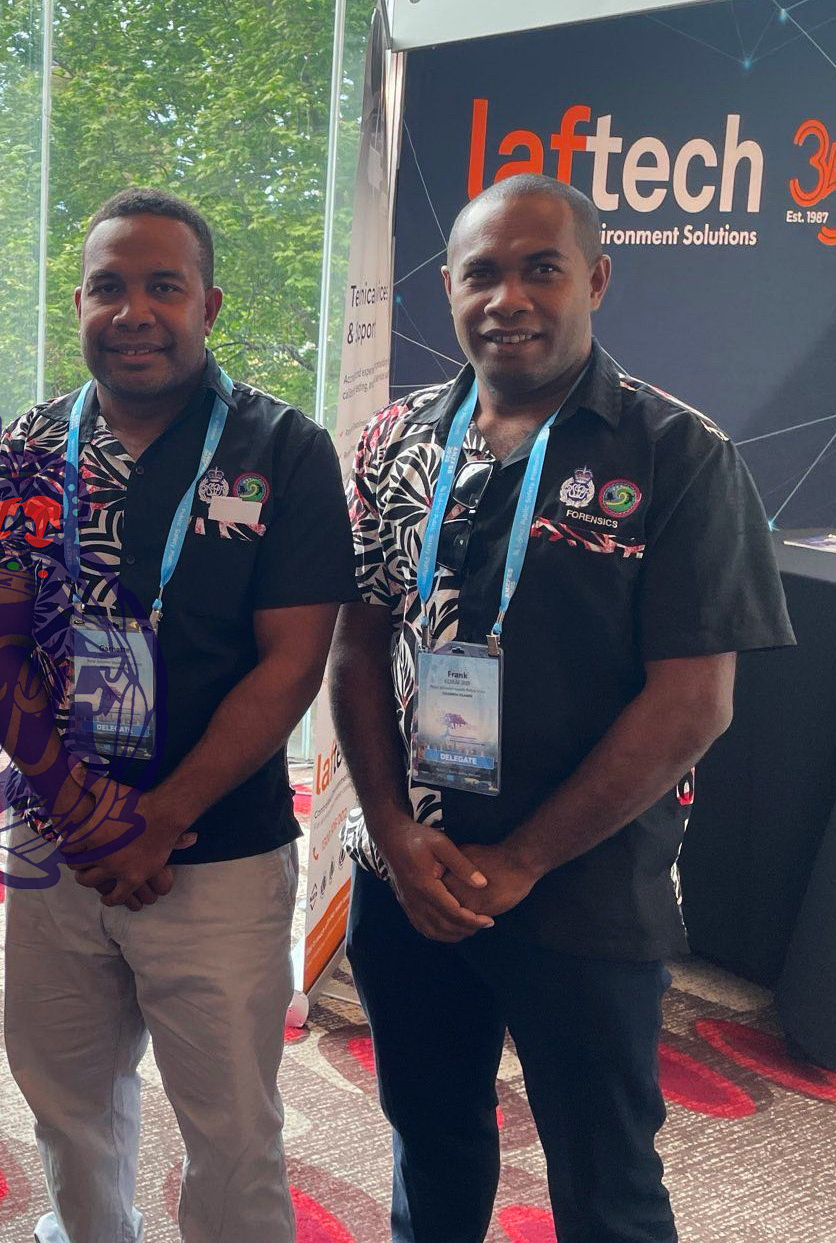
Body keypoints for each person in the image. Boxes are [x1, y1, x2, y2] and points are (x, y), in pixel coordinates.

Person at [329, 173, 795, 1243]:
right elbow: (356, 649)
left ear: (595, 278)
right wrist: (392, 831)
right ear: (449, 288)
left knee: (605, 1180)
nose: (509, 298)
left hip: (583, 885)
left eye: (540, 269)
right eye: (481, 273)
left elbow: (693, 703)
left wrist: (523, 858)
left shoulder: (677, 454)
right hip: (407, 872)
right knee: (430, 1144)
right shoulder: (394, 439)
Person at [0, 188, 357, 1243]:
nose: (132, 312)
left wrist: (156, 819)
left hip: (216, 851)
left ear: (208, 305)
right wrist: (77, 810)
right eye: (107, 286)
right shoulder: (29, 446)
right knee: (65, 1099)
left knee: (231, 1127)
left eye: (162, 286)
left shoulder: (282, 449)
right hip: (54, 845)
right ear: (78, 304)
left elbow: (291, 663)